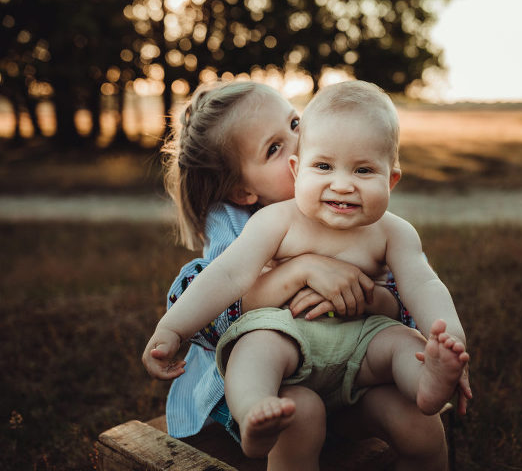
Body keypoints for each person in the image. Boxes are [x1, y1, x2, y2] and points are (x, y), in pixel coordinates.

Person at [143, 80, 471, 465]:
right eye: (275, 148)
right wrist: (172, 328)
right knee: (261, 352)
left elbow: (422, 285)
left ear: (390, 178)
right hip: (291, 374)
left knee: (414, 391)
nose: (298, 142)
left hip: (360, 363)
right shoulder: (269, 222)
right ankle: (253, 412)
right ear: (244, 191)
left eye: (296, 124)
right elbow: (223, 277)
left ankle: (430, 381)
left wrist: (448, 339)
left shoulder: (387, 228)